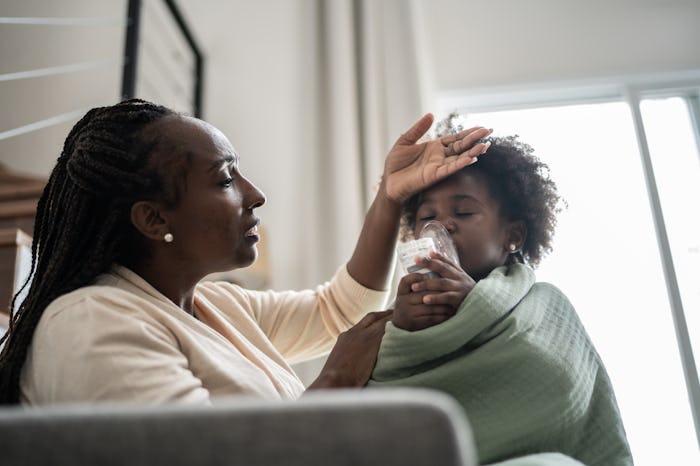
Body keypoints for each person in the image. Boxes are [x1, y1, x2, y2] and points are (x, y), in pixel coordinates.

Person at [0, 99, 491, 405]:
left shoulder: (217, 306)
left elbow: (337, 310)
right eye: (224, 179)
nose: (255, 194)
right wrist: (339, 376)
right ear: (154, 219)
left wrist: (390, 196)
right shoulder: (93, 322)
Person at [368, 115, 633, 466]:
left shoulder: (545, 305)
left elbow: (564, 388)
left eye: (463, 212)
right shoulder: (400, 315)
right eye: (425, 217)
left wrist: (476, 304)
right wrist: (401, 333)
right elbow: (376, 404)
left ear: (513, 235)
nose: (441, 224)